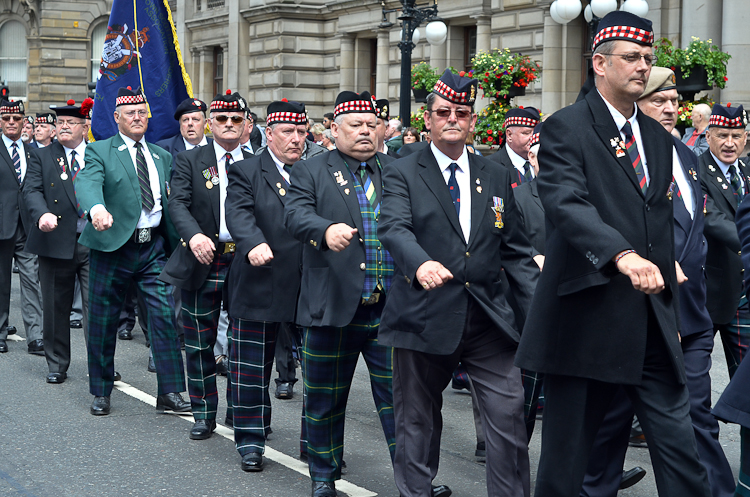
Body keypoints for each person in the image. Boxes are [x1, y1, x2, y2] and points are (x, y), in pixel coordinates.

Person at [515, 11, 711, 496]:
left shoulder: (657, 139)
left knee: (681, 452)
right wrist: (622, 255)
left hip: (649, 322)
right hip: (588, 321)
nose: (643, 66)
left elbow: (656, 218)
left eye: (647, 58)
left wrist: (669, 266)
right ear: (599, 64)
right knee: (566, 465)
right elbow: (566, 202)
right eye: (631, 57)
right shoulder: (567, 128)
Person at [378, 68, 537, 497]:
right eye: (444, 112)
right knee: (418, 419)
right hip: (424, 316)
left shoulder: (497, 173)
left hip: (488, 317)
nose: (453, 119)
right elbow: (393, 228)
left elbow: (516, 250)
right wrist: (419, 263)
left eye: (462, 112)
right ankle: (416, 491)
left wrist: (541, 309)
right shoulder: (402, 171)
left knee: (508, 414)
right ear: (427, 120)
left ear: (472, 120)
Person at [580, 68, 736, 497]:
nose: (670, 109)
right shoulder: (617, 159)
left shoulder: (688, 156)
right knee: (609, 423)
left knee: (694, 418)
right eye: (658, 101)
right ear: (634, 107)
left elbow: (695, 226)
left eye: (673, 102)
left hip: (690, 315)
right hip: (634, 315)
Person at [284, 90, 397, 497]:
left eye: (372, 124)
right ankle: (323, 477)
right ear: (334, 129)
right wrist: (322, 229)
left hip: (390, 307)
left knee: (402, 401)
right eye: (355, 125)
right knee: (325, 400)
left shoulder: (399, 169)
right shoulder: (311, 170)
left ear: (382, 129)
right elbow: (295, 214)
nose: (365, 131)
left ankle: (413, 479)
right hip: (332, 303)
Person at [74, 86, 190, 417]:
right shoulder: (100, 151)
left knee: (165, 317)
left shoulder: (161, 156)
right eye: (130, 113)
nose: (137, 118)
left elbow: (172, 200)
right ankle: (101, 390)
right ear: (117, 118)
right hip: (112, 248)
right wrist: (96, 209)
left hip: (152, 246)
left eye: (142, 113)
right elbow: (88, 182)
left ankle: (169, 392)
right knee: (102, 321)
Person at [160, 90, 251, 440]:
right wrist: (194, 236)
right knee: (200, 342)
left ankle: (241, 412)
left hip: (245, 260)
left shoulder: (256, 161)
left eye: (236, 120)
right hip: (203, 258)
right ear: (210, 123)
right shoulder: (189, 159)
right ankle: (203, 412)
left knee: (244, 343)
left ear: (245, 125)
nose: (229, 125)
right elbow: (177, 204)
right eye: (222, 119)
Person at [224, 99, 307, 471]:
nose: (296, 139)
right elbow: (238, 211)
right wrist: (253, 241)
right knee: (251, 369)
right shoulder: (246, 170)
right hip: (261, 278)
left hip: (308, 285)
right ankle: (251, 441)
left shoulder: (315, 170)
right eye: (287, 132)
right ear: (268, 134)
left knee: (319, 374)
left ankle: (316, 443)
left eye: (301, 132)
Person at [23, 98, 94, 384]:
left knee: (97, 307)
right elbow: (31, 190)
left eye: (70, 123)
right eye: (60, 123)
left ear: (84, 127)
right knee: (55, 305)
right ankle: (57, 363)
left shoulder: (98, 153)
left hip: (94, 241)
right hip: (55, 239)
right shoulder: (43, 155)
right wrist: (41, 214)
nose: (63, 127)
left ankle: (100, 363)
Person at [0, 100, 44, 355]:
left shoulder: (33, 152)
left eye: (16, 119)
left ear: (24, 121)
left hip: (28, 228)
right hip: (2, 226)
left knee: (31, 281)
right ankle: (1, 332)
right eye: (6, 119)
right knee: (1, 281)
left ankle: (35, 336)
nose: (11, 123)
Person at [489, 107, 540, 187]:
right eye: (526, 133)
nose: (532, 137)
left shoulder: (543, 161)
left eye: (534, 133)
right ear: (509, 135)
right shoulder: (491, 165)